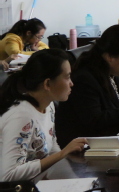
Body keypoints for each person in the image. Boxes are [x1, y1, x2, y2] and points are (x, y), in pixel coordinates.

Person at [0, 49, 87, 181]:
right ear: (47, 84)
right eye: (67, 77)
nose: (71, 83)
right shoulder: (22, 116)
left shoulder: (48, 106)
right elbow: (8, 175)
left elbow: (51, 148)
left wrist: (68, 157)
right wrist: (63, 153)